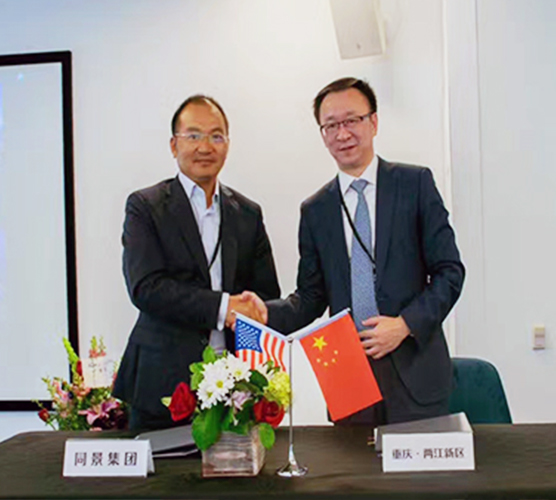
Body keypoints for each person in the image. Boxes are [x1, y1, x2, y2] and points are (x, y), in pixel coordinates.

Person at [267, 77, 465, 426]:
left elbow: (449, 272)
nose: (342, 134)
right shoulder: (315, 210)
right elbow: (311, 297)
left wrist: (405, 324)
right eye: (331, 125)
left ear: (373, 122)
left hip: (415, 369)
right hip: (347, 376)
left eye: (352, 120)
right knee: (352, 464)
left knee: (417, 463)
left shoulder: (415, 184)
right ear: (322, 135)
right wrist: (263, 313)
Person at [113, 95, 280, 430]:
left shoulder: (247, 213)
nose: (205, 146)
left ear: (227, 145)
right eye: (193, 135)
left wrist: (262, 373)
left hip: (235, 386)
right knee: (160, 466)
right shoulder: (145, 206)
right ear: (174, 145)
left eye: (216, 136)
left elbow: (264, 295)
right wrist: (224, 307)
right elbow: (146, 288)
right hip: (163, 384)